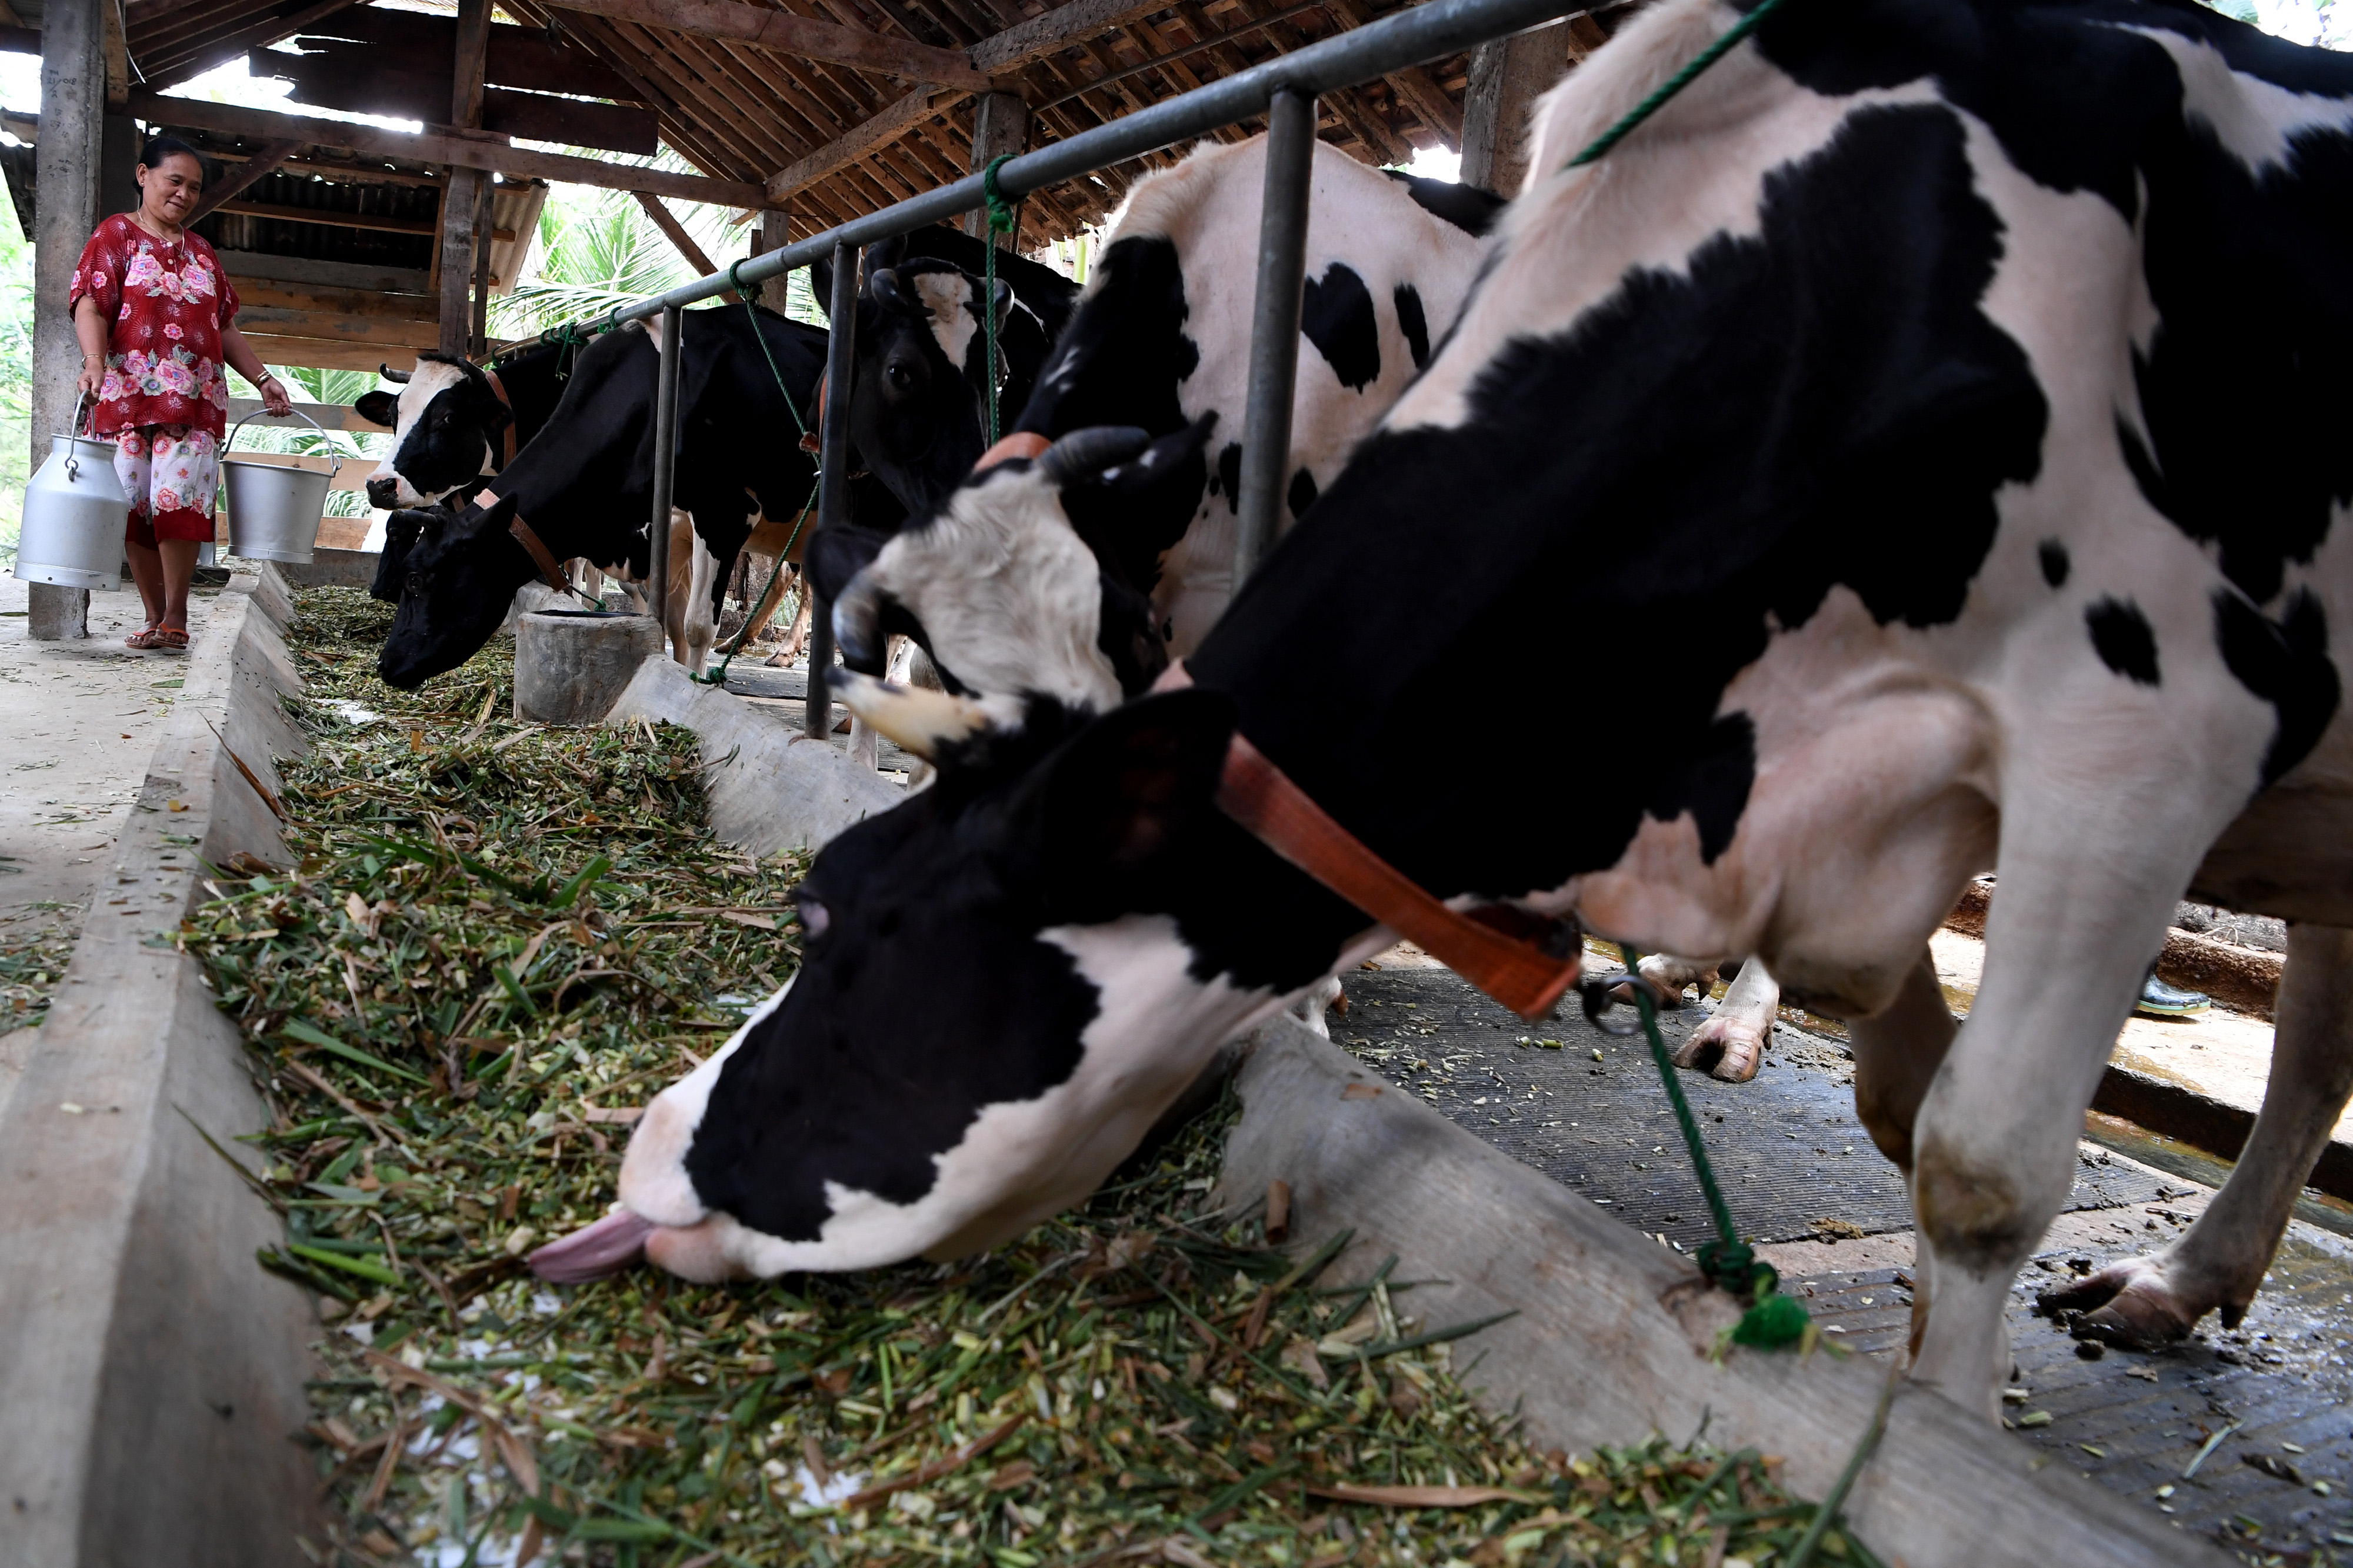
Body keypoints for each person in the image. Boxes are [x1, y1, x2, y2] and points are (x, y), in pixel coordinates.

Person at [69, 135, 292, 652]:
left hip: (194, 403)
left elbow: (226, 327)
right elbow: (90, 305)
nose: (184, 194)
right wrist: (95, 363)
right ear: (144, 174)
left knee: (180, 505)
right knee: (135, 509)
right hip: (124, 398)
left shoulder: (203, 253)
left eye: (194, 187)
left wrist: (262, 378)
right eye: (175, 181)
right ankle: (152, 616)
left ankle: (176, 615)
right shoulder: (115, 236)